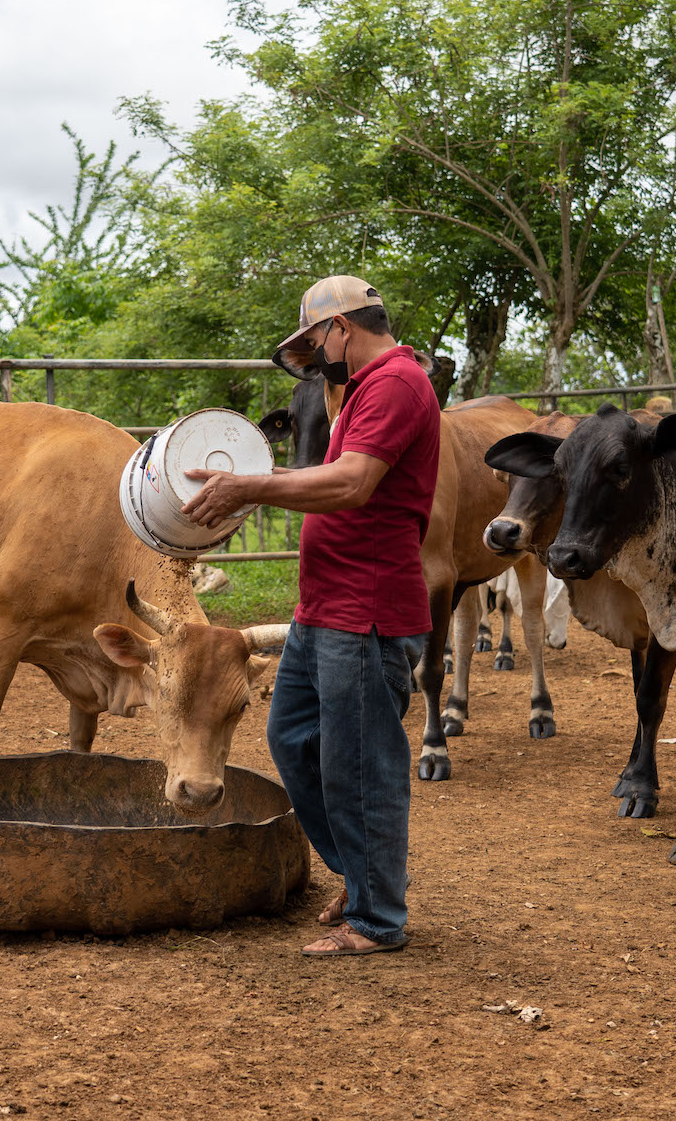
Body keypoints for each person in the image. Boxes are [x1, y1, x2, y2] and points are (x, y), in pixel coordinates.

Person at [181, 275, 440, 956]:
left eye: (314, 340)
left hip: (367, 609)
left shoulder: (394, 382)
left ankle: (378, 916)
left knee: (362, 763)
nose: (315, 356)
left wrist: (250, 486)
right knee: (293, 736)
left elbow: (354, 482)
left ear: (341, 328)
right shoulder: (362, 388)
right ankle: (361, 879)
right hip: (326, 607)